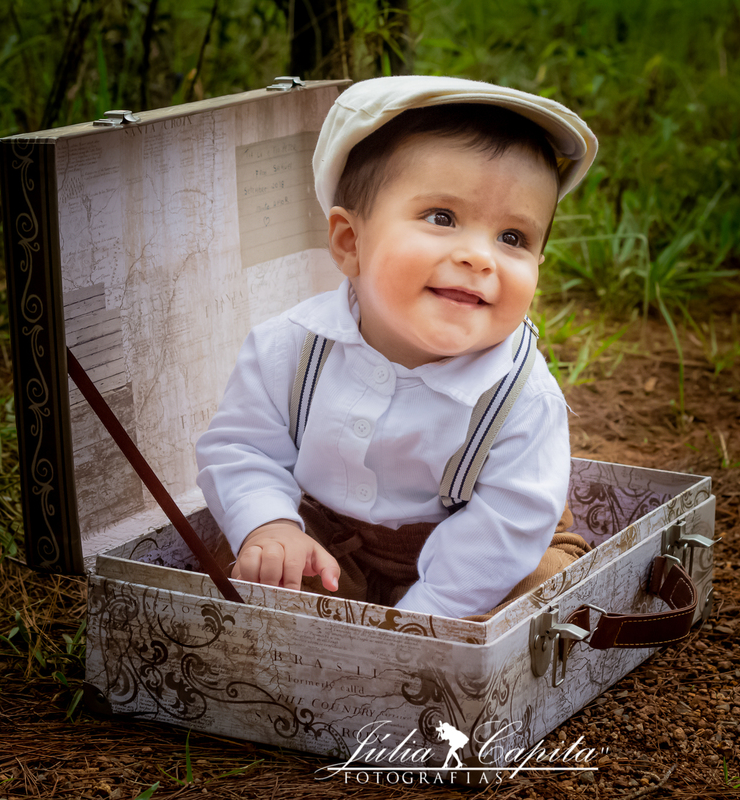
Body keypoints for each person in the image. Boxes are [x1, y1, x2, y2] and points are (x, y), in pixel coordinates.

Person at [195, 76, 597, 618]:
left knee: (546, 583)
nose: (480, 257)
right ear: (349, 242)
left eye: (513, 238)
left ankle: (426, 636)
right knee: (261, 562)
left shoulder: (520, 395)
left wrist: (419, 622)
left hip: (486, 546)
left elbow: (509, 519)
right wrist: (271, 523)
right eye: (442, 218)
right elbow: (243, 449)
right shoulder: (289, 348)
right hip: (332, 539)